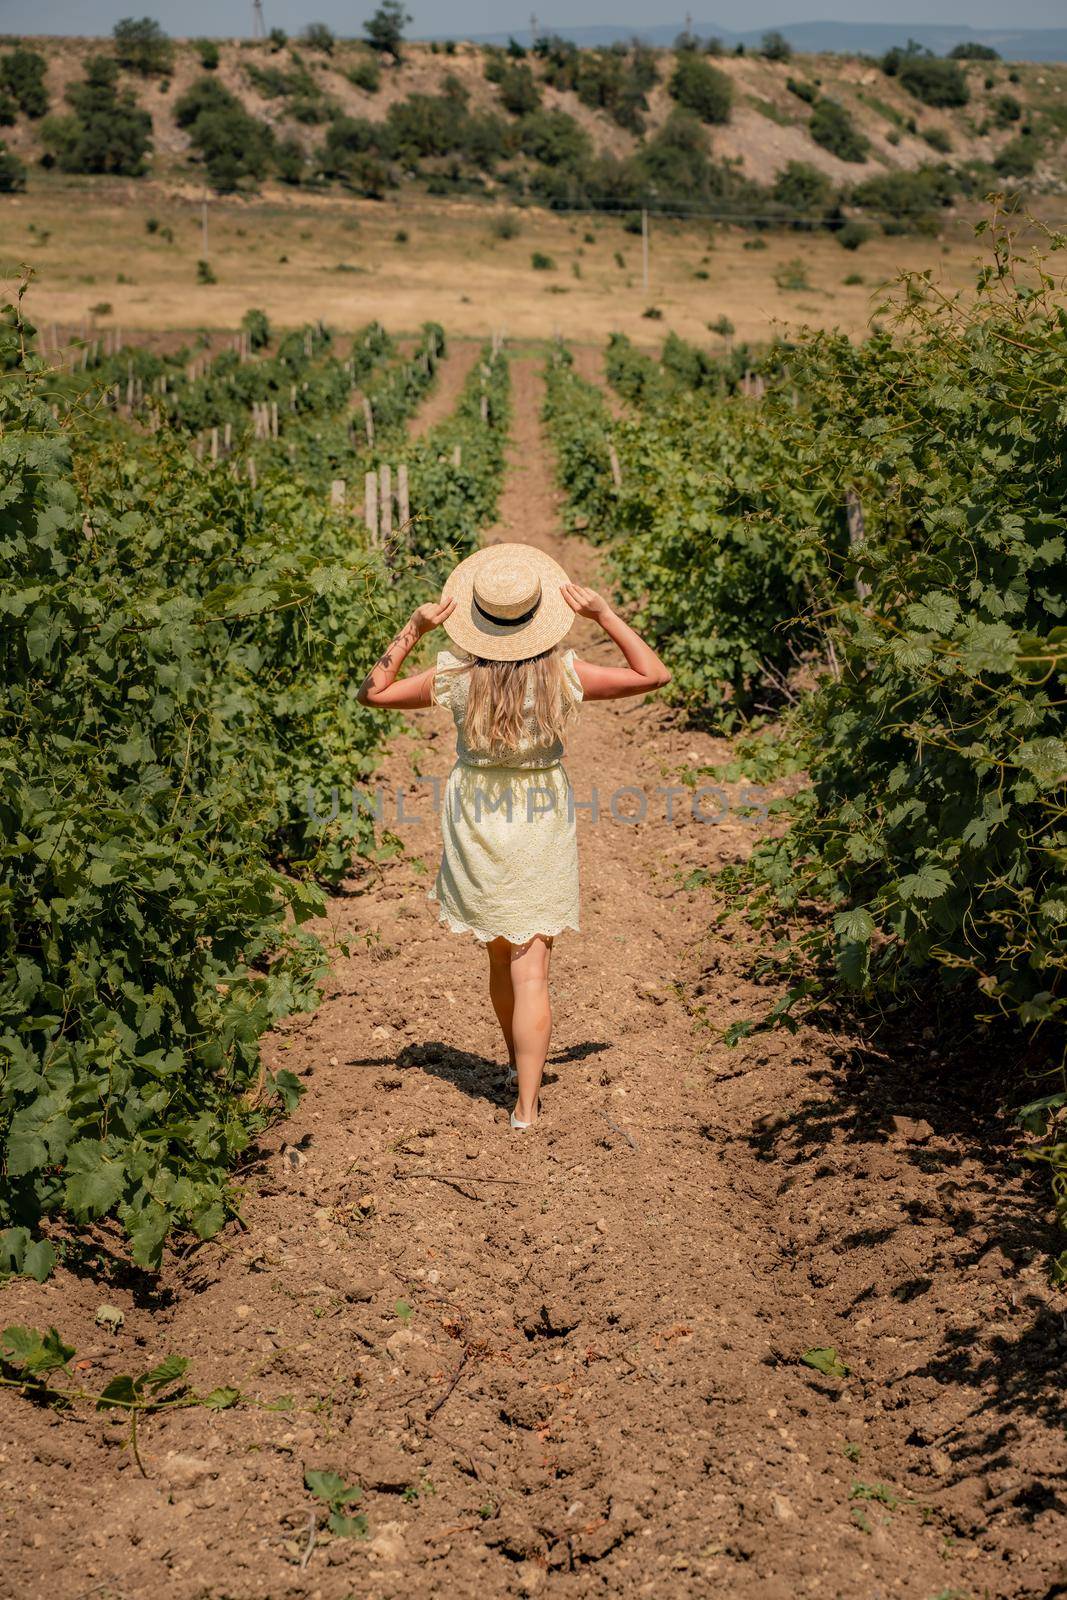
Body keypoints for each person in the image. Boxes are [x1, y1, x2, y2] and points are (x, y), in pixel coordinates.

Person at [357, 543, 670, 1130]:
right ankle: (526, 1106)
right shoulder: (563, 674)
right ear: (539, 617)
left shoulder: (453, 676)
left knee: (499, 953)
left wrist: (413, 627)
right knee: (533, 967)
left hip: (476, 814)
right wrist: (603, 614)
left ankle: (511, 1063)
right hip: (539, 814)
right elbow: (653, 674)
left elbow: (372, 692)